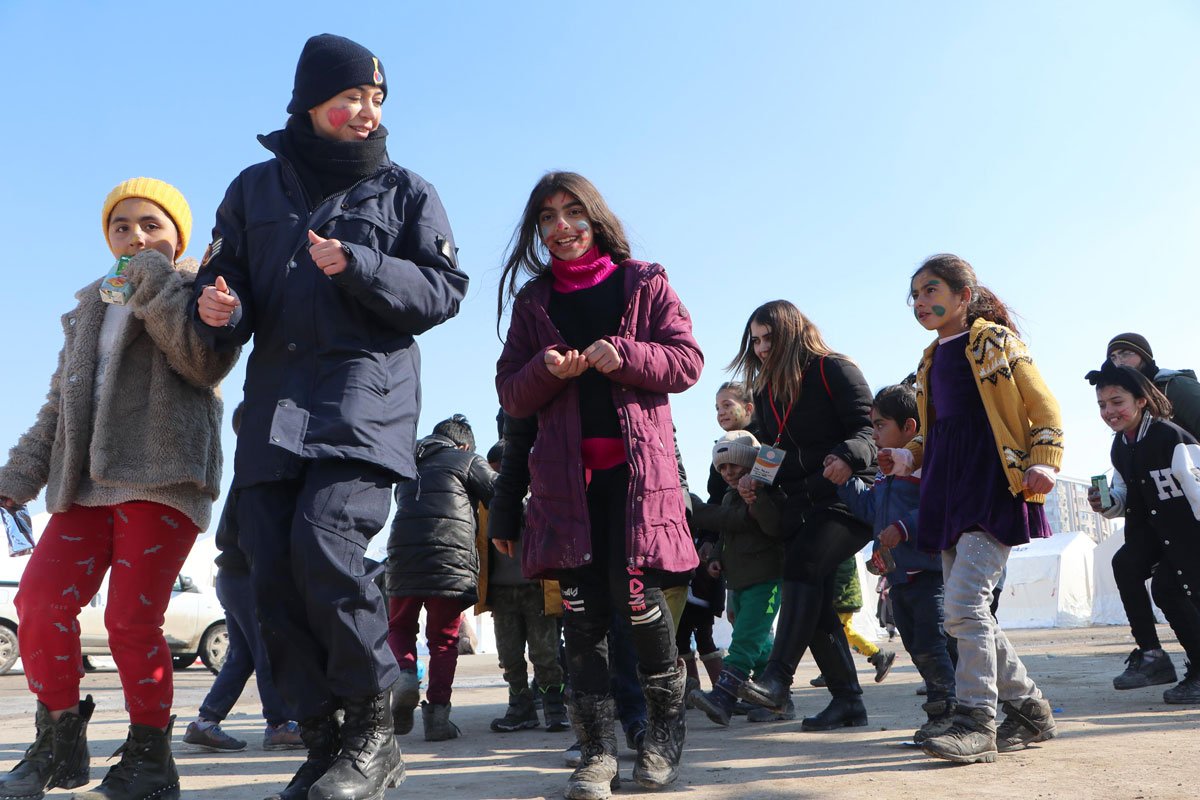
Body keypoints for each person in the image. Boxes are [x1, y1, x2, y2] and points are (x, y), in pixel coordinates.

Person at [189, 33, 468, 800]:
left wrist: (362, 264)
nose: (368, 111)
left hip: (365, 395)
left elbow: (444, 291)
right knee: (266, 571)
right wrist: (220, 306)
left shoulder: (407, 191)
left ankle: (374, 733)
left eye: (377, 99)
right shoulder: (252, 189)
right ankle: (321, 740)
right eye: (352, 97)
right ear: (311, 102)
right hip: (275, 403)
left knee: (325, 542)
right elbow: (227, 280)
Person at [0, 178, 236, 800]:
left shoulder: (201, 291)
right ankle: (58, 745)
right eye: (121, 226)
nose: (135, 236)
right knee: (39, 601)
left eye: (151, 225)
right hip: (84, 484)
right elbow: (59, 408)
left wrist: (154, 281)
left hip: (162, 477)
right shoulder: (91, 306)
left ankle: (151, 759)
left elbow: (203, 363)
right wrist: (14, 480)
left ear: (177, 236)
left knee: (132, 619)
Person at [495, 171, 702, 799]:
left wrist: (628, 355)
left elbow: (687, 361)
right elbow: (511, 395)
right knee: (581, 618)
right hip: (566, 489)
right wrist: (545, 369)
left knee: (639, 604)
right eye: (547, 217)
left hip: (636, 485)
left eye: (573, 212)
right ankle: (595, 752)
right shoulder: (533, 303)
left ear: (596, 217)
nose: (561, 227)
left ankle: (661, 738)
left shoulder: (644, 282)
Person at [885, 253, 1061, 764]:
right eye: (915, 295)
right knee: (967, 612)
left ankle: (976, 720)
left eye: (931, 290)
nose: (921, 302)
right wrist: (906, 456)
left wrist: (1046, 460)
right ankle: (1029, 709)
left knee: (962, 608)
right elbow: (934, 431)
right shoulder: (929, 360)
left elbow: (1043, 406)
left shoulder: (995, 342)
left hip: (991, 485)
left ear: (964, 296)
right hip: (945, 493)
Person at [730, 301, 878, 732]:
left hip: (848, 497)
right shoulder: (766, 389)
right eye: (755, 341)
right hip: (802, 503)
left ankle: (777, 679)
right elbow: (772, 448)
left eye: (768, 338)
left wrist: (847, 455)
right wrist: (755, 479)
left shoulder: (835, 369)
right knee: (813, 605)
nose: (761, 349)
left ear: (792, 333)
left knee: (801, 567)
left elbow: (868, 430)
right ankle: (848, 701)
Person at [836, 383, 956, 744]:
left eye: (880, 425)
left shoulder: (924, 469)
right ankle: (943, 708)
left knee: (934, 644)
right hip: (898, 579)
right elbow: (870, 509)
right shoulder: (884, 473)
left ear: (909, 427)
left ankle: (949, 713)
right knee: (917, 646)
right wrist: (845, 482)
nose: (874, 434)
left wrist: (904, 528)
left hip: (930, 576)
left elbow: (937, 510)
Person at [183, 404, 303, 754]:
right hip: (248, 576)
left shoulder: (248, 467)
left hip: (232, 576)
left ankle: (206, 722)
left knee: (242, 656)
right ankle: (280, 724)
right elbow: (259, 536)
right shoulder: (261, 469)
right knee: (267, 651)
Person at [1086, 362, 1200, 703]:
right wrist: (1107, 503)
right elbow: (1125, 496)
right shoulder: (1120, 446)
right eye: (1102, 405)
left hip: (1188, 532)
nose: (1109, 411)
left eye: (1117, 402)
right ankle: (1152, 656)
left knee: (1167, 589)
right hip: (1153, 531)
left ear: (1141, 400)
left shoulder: (1171, 437)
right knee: (1125, 564)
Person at [386, 415, 497, 741]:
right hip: (450, 561)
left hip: (403, 558)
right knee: (444, 640)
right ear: (463, 445)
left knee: (400, 627)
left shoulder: (407, 464)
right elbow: (501, 494)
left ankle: (405, 675)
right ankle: (437, 719)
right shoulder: (468, 460)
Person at [687, 431, 785, 726]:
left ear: (751, 463)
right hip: (739, 582)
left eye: (734, 465)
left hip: (765, 580)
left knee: (745, 641)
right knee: (759, 644)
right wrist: (717, 557)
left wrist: (756, 497)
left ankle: (723, 697)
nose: (728, 472)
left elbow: (772, 526)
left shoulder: (765, 492)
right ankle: (776, 698)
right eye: (722, 468)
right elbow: (727, 533)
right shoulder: (730, 496)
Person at [477, 438, 570, 735]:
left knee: (545, 654)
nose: (496, 478)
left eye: (501, 471)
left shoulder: (541, 498)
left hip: (538, 589)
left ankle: (554, 706)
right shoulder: (484, 504)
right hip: (501, 592)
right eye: (492, 471)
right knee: (509, 656)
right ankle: (520, 707)